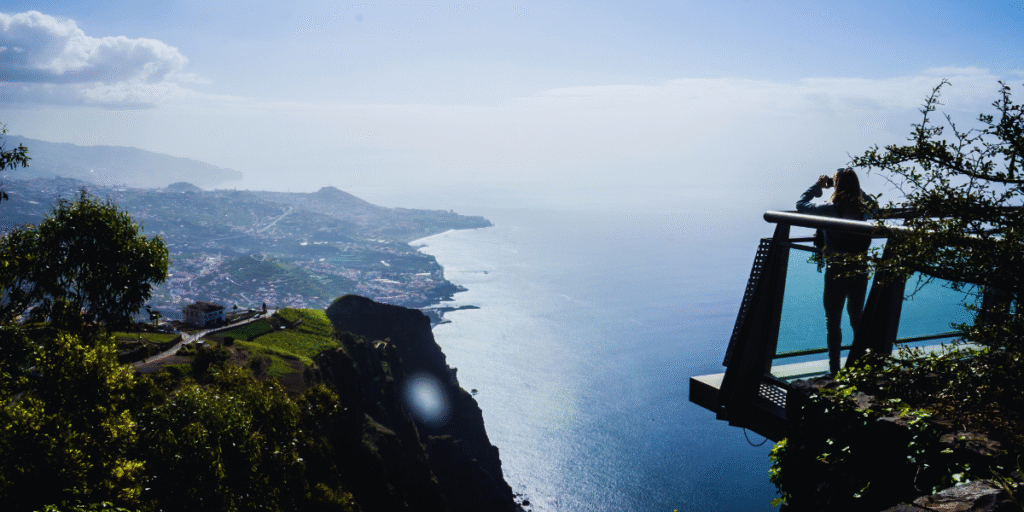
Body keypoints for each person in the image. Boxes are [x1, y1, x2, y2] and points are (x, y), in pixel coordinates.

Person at [796, 167, 877, 375]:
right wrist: (859, 192)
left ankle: (834, 371)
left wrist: (817, 187)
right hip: (859, 268)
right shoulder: (863, 210)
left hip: (837, 270)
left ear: (836, 186)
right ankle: (863, 367)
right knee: (857, 318)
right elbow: (877, 209)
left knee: (833, 322)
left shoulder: (830, 210)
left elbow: (801, 206)